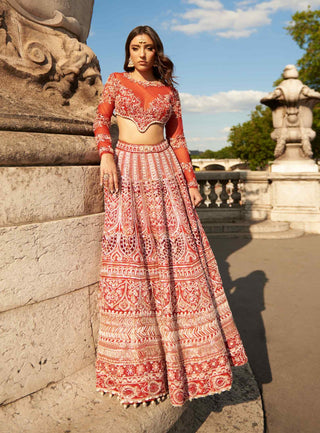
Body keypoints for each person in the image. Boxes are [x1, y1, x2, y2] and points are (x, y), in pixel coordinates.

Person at [93, 25, 247, 408]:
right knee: (132, 260)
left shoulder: (169, 93)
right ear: (128, 54)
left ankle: (188, 363)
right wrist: (107, 154)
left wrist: (192, 182)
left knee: (176, 261)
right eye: (135, 47)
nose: (142, 53)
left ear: (156, 52)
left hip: (165, 174)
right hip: (126, 170)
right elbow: (100, 121)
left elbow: (178, 140)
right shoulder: (115, 82)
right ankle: (138, 367)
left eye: (148, 47)